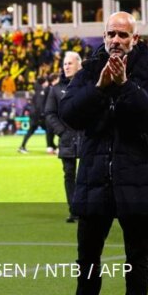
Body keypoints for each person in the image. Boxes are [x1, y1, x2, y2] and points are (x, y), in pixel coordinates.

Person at [58, 12, 148, 295]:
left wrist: (124, 86)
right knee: (87, 256)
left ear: (135, 39)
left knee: (137, 256)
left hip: (136, 177)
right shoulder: (89, 72)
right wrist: (100, 88)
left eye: (123, 35)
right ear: (104, 37)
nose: (116, 40)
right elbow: (69, 115)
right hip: (94, 177)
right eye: (111, 34)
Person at [42, 51, 81, 223]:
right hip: (67, 138)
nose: (66, 66)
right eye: (65, 64)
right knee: (69, 174)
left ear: (79, 64)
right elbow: (50, 113)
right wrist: (62, 132)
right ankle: (74, 210)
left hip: (86, 137)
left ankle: (89, 209)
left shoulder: (89, 84)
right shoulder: (56, 89)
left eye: (70, 63)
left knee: (88, 175)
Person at [18, 74, 50, 153]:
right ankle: (50, 147)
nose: (47, 83)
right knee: (48, 130)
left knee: (32, 130)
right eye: (46, 82)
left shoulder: (38, 89)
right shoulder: (41, 92)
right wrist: (42, 114)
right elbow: (39, 104)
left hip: (34, 114)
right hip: (38, 115)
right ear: (43, 83)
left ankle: (22, 146)